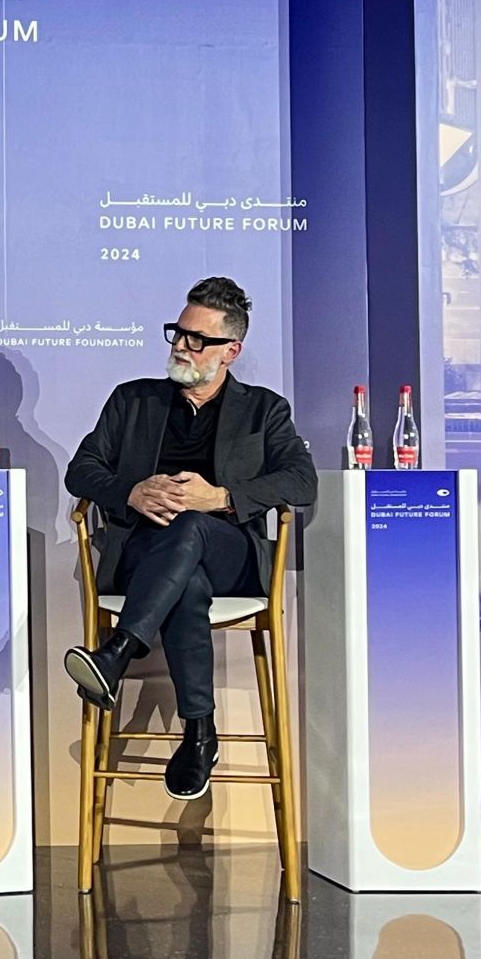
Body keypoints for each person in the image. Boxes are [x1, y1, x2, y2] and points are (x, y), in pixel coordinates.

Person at [62, 276, 316, 801]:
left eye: (196, 338)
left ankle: (119, 649)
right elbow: (81, 471)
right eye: (178, 333)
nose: (181, 345)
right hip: (144, 556)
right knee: (187, 586)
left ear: (231, 351)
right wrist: (130, 491)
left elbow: (301, 481)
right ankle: (200, 732)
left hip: (229, 555)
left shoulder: (263, 410)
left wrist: (219, 498)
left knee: (194, 524)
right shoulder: (133, 401)